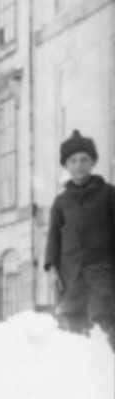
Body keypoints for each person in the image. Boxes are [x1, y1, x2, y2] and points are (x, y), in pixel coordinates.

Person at [44, 130, 115, 350]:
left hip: (102, 271)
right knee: (72, 322)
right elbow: (53, 235)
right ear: (66, 165)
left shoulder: (108, 194)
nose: (79, 165)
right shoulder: (61, 201)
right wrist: (51, 266)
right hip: (70, 274)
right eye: (73, 160)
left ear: (93, 162)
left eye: (84, 159)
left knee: (104, 319)